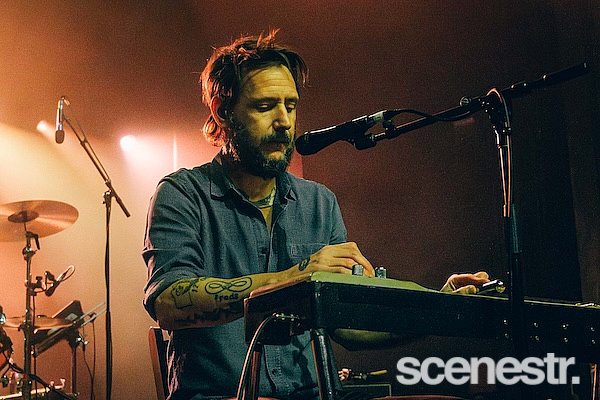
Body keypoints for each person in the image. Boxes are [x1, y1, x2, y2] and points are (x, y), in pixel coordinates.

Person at [142, 30, 489, 400]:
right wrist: (297, 278)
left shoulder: (319, 202)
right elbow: (169, 302)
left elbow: (348, 325)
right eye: (265, 107)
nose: (284, 122)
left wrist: (439, 305)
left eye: (290, 106)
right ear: (222, 111)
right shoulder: (181, 194)